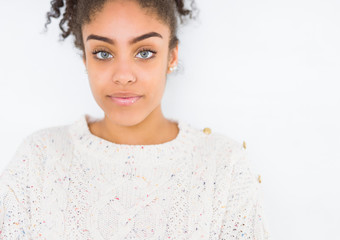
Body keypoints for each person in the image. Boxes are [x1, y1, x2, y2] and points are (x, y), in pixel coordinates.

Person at [0, 0, 270, 239]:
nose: (123, 75)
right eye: (103, 53)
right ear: (85, 57)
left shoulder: (223, 167)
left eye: (144, 52)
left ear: (171, 56)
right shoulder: (39, 159)